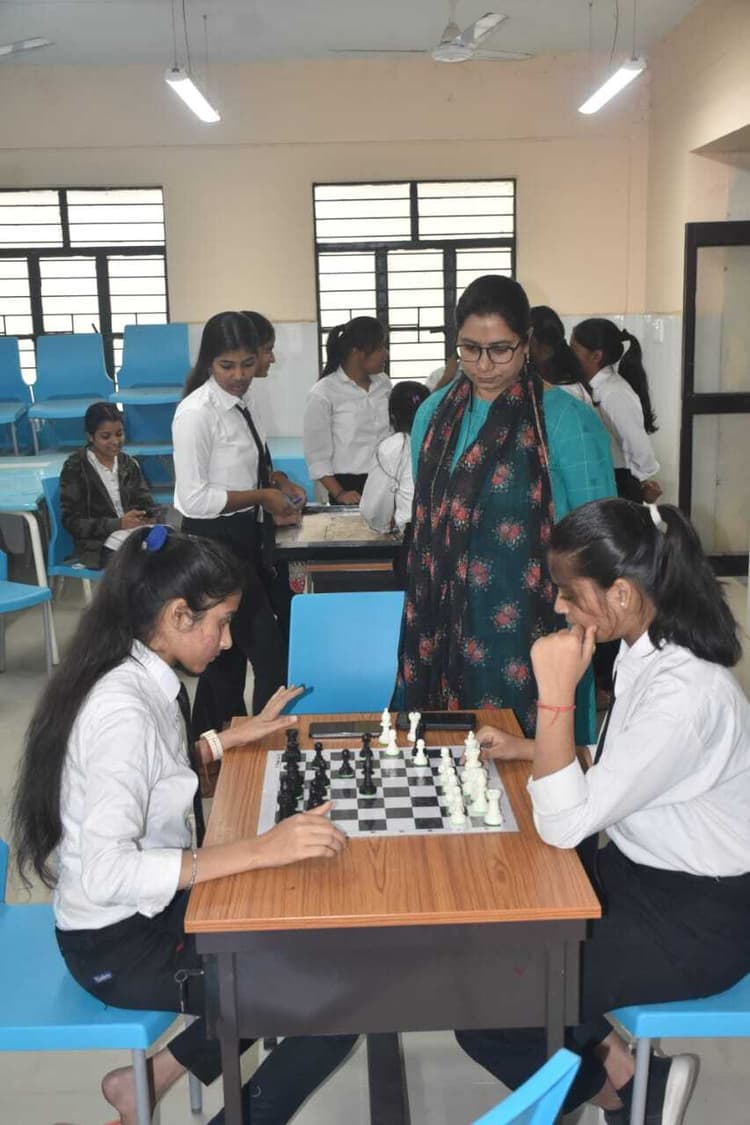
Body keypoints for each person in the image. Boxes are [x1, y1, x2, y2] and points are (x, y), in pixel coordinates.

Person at [11, 527, 356, 1125]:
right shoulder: (122, 709)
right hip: (118, 945)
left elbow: (153, 770)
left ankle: (147, 1078)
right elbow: (109, 871)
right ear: (176, 615)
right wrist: (259, 849)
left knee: (290, 934)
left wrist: (228, 740)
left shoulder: (137, 671)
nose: (228, 642)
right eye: (221, 623)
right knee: (330, 1001)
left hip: (144, 914)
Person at [457, 497, 750, 1125]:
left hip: (697, 919)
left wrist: (555, 695)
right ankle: (631, 1073)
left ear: (621, 593)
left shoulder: (687, 693)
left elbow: (564, 825)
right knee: (501, 932)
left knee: (485, 1001)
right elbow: (630, 763)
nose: (560, 607)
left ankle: (620, 1096)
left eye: (570, 593)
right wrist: (532, 749)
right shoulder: (650, 648)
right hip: (639, 875)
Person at [397, 274, 611, 735]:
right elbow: (431, 520)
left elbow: (599, 539)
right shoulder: (432, 416)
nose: (483, 365)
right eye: (470, 349)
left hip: (532, 623)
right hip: (440, 620)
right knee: (447, 754)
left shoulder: (566, 420)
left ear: (527, 343)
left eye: (500, 349)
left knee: (536, 755)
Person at [173, 311, 307, 736]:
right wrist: (261, 497)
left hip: (246, 536)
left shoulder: (245, 402)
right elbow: (194, 498)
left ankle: (214, 749)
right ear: (208, 362)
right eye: (226, 366)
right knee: (269, 657)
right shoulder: (196, 413)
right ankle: (260, 743)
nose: (239, 375)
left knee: (224, 660)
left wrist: (277, 483)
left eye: (248, 363)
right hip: (211, 544)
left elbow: (247, 466)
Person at [570, 318, 662, 503]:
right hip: (606, 476)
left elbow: (637, 443)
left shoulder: (615, 392)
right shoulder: (590, 387)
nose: (568, 354)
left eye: (574, 348)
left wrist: (645, 478)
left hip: (621, 482)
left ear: (596, 356)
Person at [303, 316, 390, 505]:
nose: (386, 353)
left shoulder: (383, 384)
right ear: (357, 351)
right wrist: (340, 493)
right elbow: (316, 456)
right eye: (379, 348)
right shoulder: (323, 392)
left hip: (384, 479)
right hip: (348, 486)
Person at [59, 401, 154, 568]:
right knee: (141, 562)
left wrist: (146, 516)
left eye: (119, 434)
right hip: (96, 546)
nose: (115, 441)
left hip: (132, 534)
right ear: (90, 436)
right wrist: (118, 524)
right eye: (106, 436)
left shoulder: (128, 464)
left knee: (171, 546)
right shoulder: (75, 468)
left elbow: (145, 502)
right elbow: (72, 522)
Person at [360, 380, 430, 589]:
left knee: (413, 598)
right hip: (451, 535)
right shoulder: (448, 440)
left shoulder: (394, 446)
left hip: (415, 537)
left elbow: (375, 507)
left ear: (392, 416)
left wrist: (383, 525)